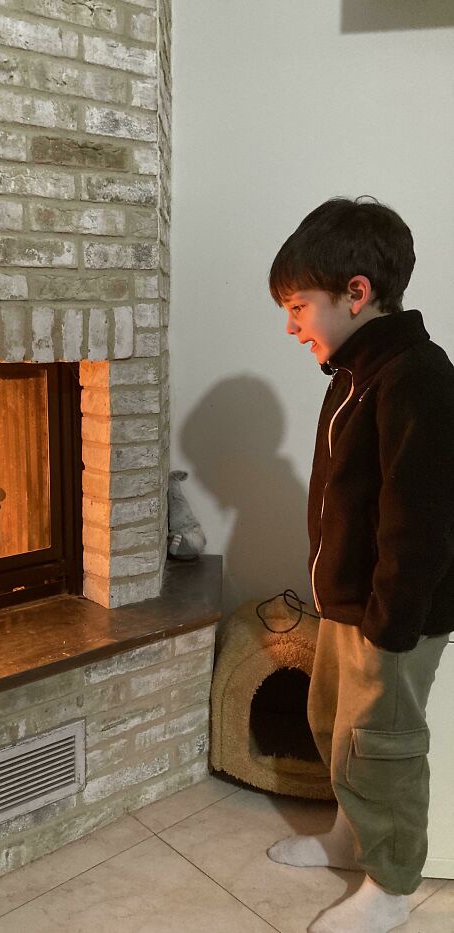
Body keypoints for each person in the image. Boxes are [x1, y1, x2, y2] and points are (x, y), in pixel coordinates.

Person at [266, 197, 454, 933]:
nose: (291, 326)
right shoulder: (350, 372)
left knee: (382, 748)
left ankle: (393, 883)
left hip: (393, 615)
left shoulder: (415, 376)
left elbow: (421, 517)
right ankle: (352, 837)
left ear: (356, 292)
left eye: (298, 306)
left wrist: (390, 623)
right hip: (349, 603)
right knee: (335, 727)